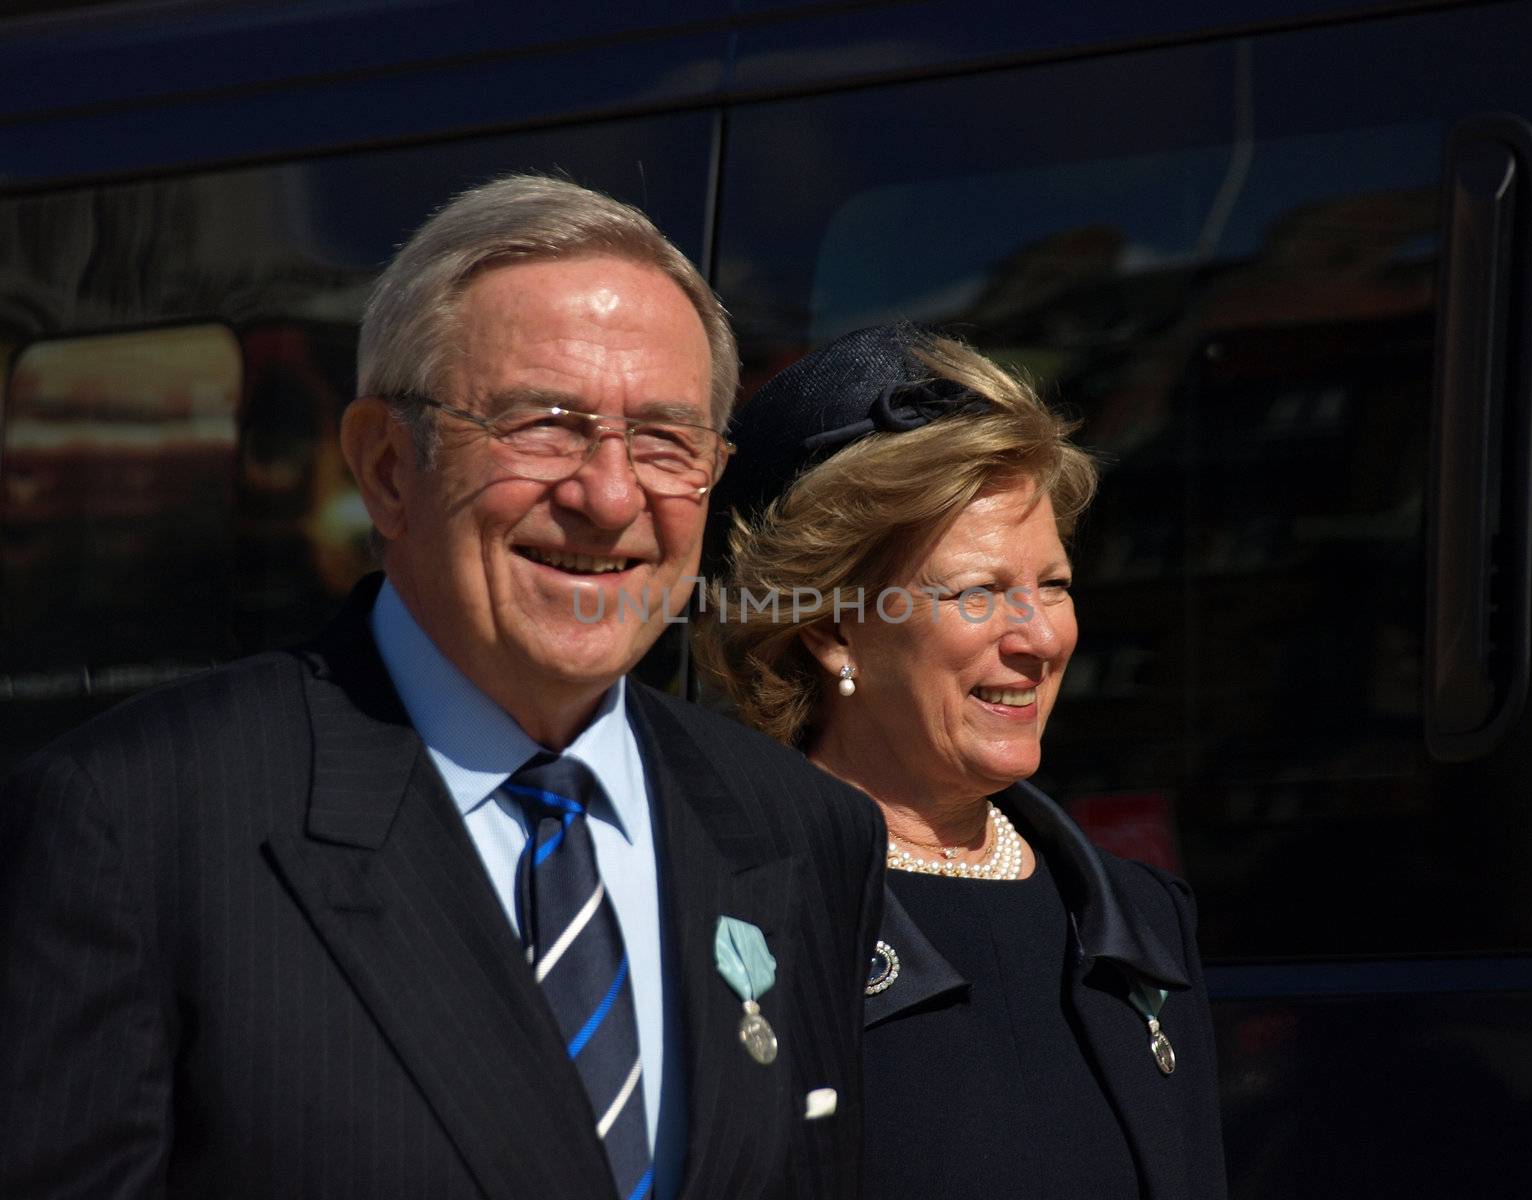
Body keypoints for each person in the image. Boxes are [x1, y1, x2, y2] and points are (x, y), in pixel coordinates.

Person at [0, 176, 884, 1200]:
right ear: (384, 466)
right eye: (544, 425)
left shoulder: (800, 829)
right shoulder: (135, 827)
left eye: (665, 441)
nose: (609, 496)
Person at [697, 324, 1226, 1200]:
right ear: (830, 628)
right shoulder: (731, 919)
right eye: (979, 594)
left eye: (1053, 585)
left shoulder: (1136, 923)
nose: (1042, 639)